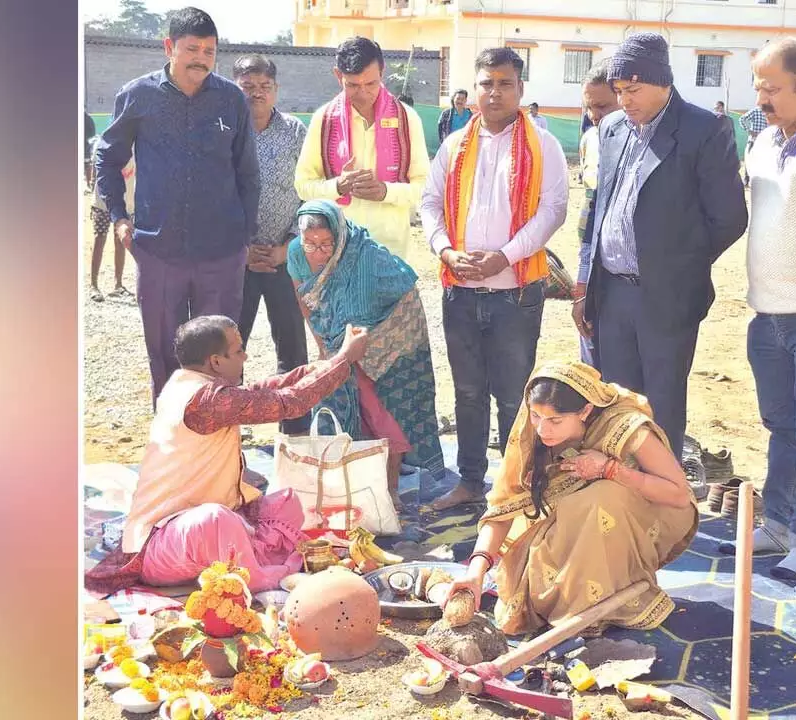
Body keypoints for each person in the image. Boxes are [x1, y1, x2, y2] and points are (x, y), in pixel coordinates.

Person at [83, 315, 370, 595]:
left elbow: (265, 391)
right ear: (216, 362)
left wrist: (331, 364)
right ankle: (254, 576)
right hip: (160, 546)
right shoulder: (206, 401)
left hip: (193, 532)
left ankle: (239, 559)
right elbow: (289, 403)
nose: (244, 357)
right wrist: (344, 359)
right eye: (239, 350)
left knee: (286, 502)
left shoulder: (190, 384)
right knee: (215, 519)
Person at [574, 32, 747, 469]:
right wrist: (587, 287)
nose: (623, 100)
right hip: (612, 294)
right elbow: (601, 209)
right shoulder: (611, 128)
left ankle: (662, 507)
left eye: (632, 90)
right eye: (617, 91)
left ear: (662, 83)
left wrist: (675, 265)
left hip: (666, 297)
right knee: (616, 404)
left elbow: (728, 218)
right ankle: (620, 504)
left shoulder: (703, 130)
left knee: (662, 409)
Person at [443, 362, 698, 636]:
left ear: (585, 411)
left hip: (645, 514)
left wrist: (611, 470)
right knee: (535, 591)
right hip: (573, 524)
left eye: (555, 421)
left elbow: (679, 495)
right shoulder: (531, 437)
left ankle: (609, 593)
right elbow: (503, 507)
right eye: (536, 416)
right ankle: (581, 598)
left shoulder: (624, 427)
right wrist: (476, 570)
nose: (542, 430)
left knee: (600, 498)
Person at [420, 47, 569, 511]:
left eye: (505, 83)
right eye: (487, 83)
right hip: (459, 289)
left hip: (516, 293)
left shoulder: (543, 145)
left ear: (520, 89)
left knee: (513, 395)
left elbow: (553, 210)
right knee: (466, 392)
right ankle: (468, 481)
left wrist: (504, 256)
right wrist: (445, 249)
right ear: (474, 89)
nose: (495, 92)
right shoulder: (454, 144)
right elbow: (429, 205)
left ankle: (514, 487)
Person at [94, 7, 261, 406]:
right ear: (169, 47)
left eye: (209, 50)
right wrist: (119, 217)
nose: (201, 58)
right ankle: (172, 448)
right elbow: (107, 158)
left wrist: (244, 239)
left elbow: (248, 174)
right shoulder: (138, 96)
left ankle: (221, 454)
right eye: (192, 48)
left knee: (221, 359)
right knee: (166, 354)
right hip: (158, 251)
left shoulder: (231, 99)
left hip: (220, 254)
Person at [718, 39, 796, 584]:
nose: (762, 97)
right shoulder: (760, 142)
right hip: (767, 313)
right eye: (757, 86)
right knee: (780, 425)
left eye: (772, 87)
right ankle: (778, 521)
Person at [287, 199, 445, 507]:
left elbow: (388, 298)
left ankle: (390, 490)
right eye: (311, 245)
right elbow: (304, 298)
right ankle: (355, 490)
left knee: (382, 409)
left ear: (339, 237)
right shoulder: (296, 253)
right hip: (343, 339)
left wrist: (349, 350)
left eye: (326, 245)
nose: (318, 254)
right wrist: (323, 344)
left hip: (388, 330)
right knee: (342, 404)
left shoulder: (365, 258)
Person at [294, 36, 430, 262]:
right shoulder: (324, 120)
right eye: (353, 85)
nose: (364, 93)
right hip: (338, 253)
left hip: (390, 254)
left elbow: (425, 187)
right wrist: (337, 185)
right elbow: (302, 186)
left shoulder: (407, 118)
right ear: (338, 76)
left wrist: (385, 191)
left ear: (382, 73)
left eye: (371, 84)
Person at [231, 54, 311, 436]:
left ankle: (295, 434)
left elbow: (308, 194)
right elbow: (213, 196)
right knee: (229, 349)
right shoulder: (223, 130)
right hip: (235, 261)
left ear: (276, 90)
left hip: (285, 257)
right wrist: (239, 249)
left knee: (293, 349)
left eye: (265, 87)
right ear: (235, 88)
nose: (257, 94)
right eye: (248, 87)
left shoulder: (296, 131)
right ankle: (227, 434)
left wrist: (289, 247)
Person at [575, 60, 619, 369]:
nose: (595, 115)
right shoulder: (591, 138)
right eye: (590, 107)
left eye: (602, 106)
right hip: (591, 247)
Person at [88, 151, 134, 302]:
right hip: (103, 203)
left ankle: (118, 285)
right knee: (99, 239)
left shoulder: (134, 149)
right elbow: (96, 174)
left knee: (121, 240)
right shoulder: (105, 147)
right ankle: (93, 286)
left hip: (124, 204)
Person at [739, 106, 768, 187]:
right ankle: (746, 180)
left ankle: (760, 182)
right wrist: (749, 130)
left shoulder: (770, 112)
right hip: (753, 141)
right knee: (749, 161)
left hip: (765, 142)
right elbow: (742, 119)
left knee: (763, 162)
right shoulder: (755, 111)